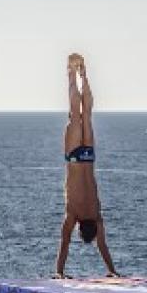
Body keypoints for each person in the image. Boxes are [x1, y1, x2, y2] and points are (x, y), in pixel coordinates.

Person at [55, 53, 117, 279]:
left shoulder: (96, 213)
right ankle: (72, 72)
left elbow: (102, 245)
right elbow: (64, 243)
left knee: (85, 117)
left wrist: (112, 269)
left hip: (88, 159)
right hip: (73, 158)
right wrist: (59, 272)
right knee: (76, 117)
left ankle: (82, 73)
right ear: (80, 228)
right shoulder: (73, 215)